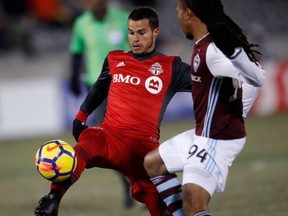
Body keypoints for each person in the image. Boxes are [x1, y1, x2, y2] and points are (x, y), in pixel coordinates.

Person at [34, 6, 192, 216]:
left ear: (155, 32)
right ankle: (53, 199)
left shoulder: (172, 66)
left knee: (163, 208)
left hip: (144, 150)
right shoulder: (115, 59)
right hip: (110, 136)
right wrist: (80, 117)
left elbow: (205, 83)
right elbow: (100, 87)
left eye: (141, 32)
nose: (135, 39)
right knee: (86, 142)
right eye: (131, 32)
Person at [144, 0, 266, 215]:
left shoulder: (212, 51)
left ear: (188, 13)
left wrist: (240, 111)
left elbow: (256, 77)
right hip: (203, 134)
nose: (178, 18)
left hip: (217, 139)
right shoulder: (204, 45)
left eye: (178, 12)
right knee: (153, 163)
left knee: (193, 203)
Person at [68, 0, 133, 207]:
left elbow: (140, 47)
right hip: (96, 91)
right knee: (105, 142)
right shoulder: (81, 23)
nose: (93, 4)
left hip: (125, 87)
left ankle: (138, 185)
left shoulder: (123, 19)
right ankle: (129, 186)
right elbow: (76, 52)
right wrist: (73, 77)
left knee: (131, 139)